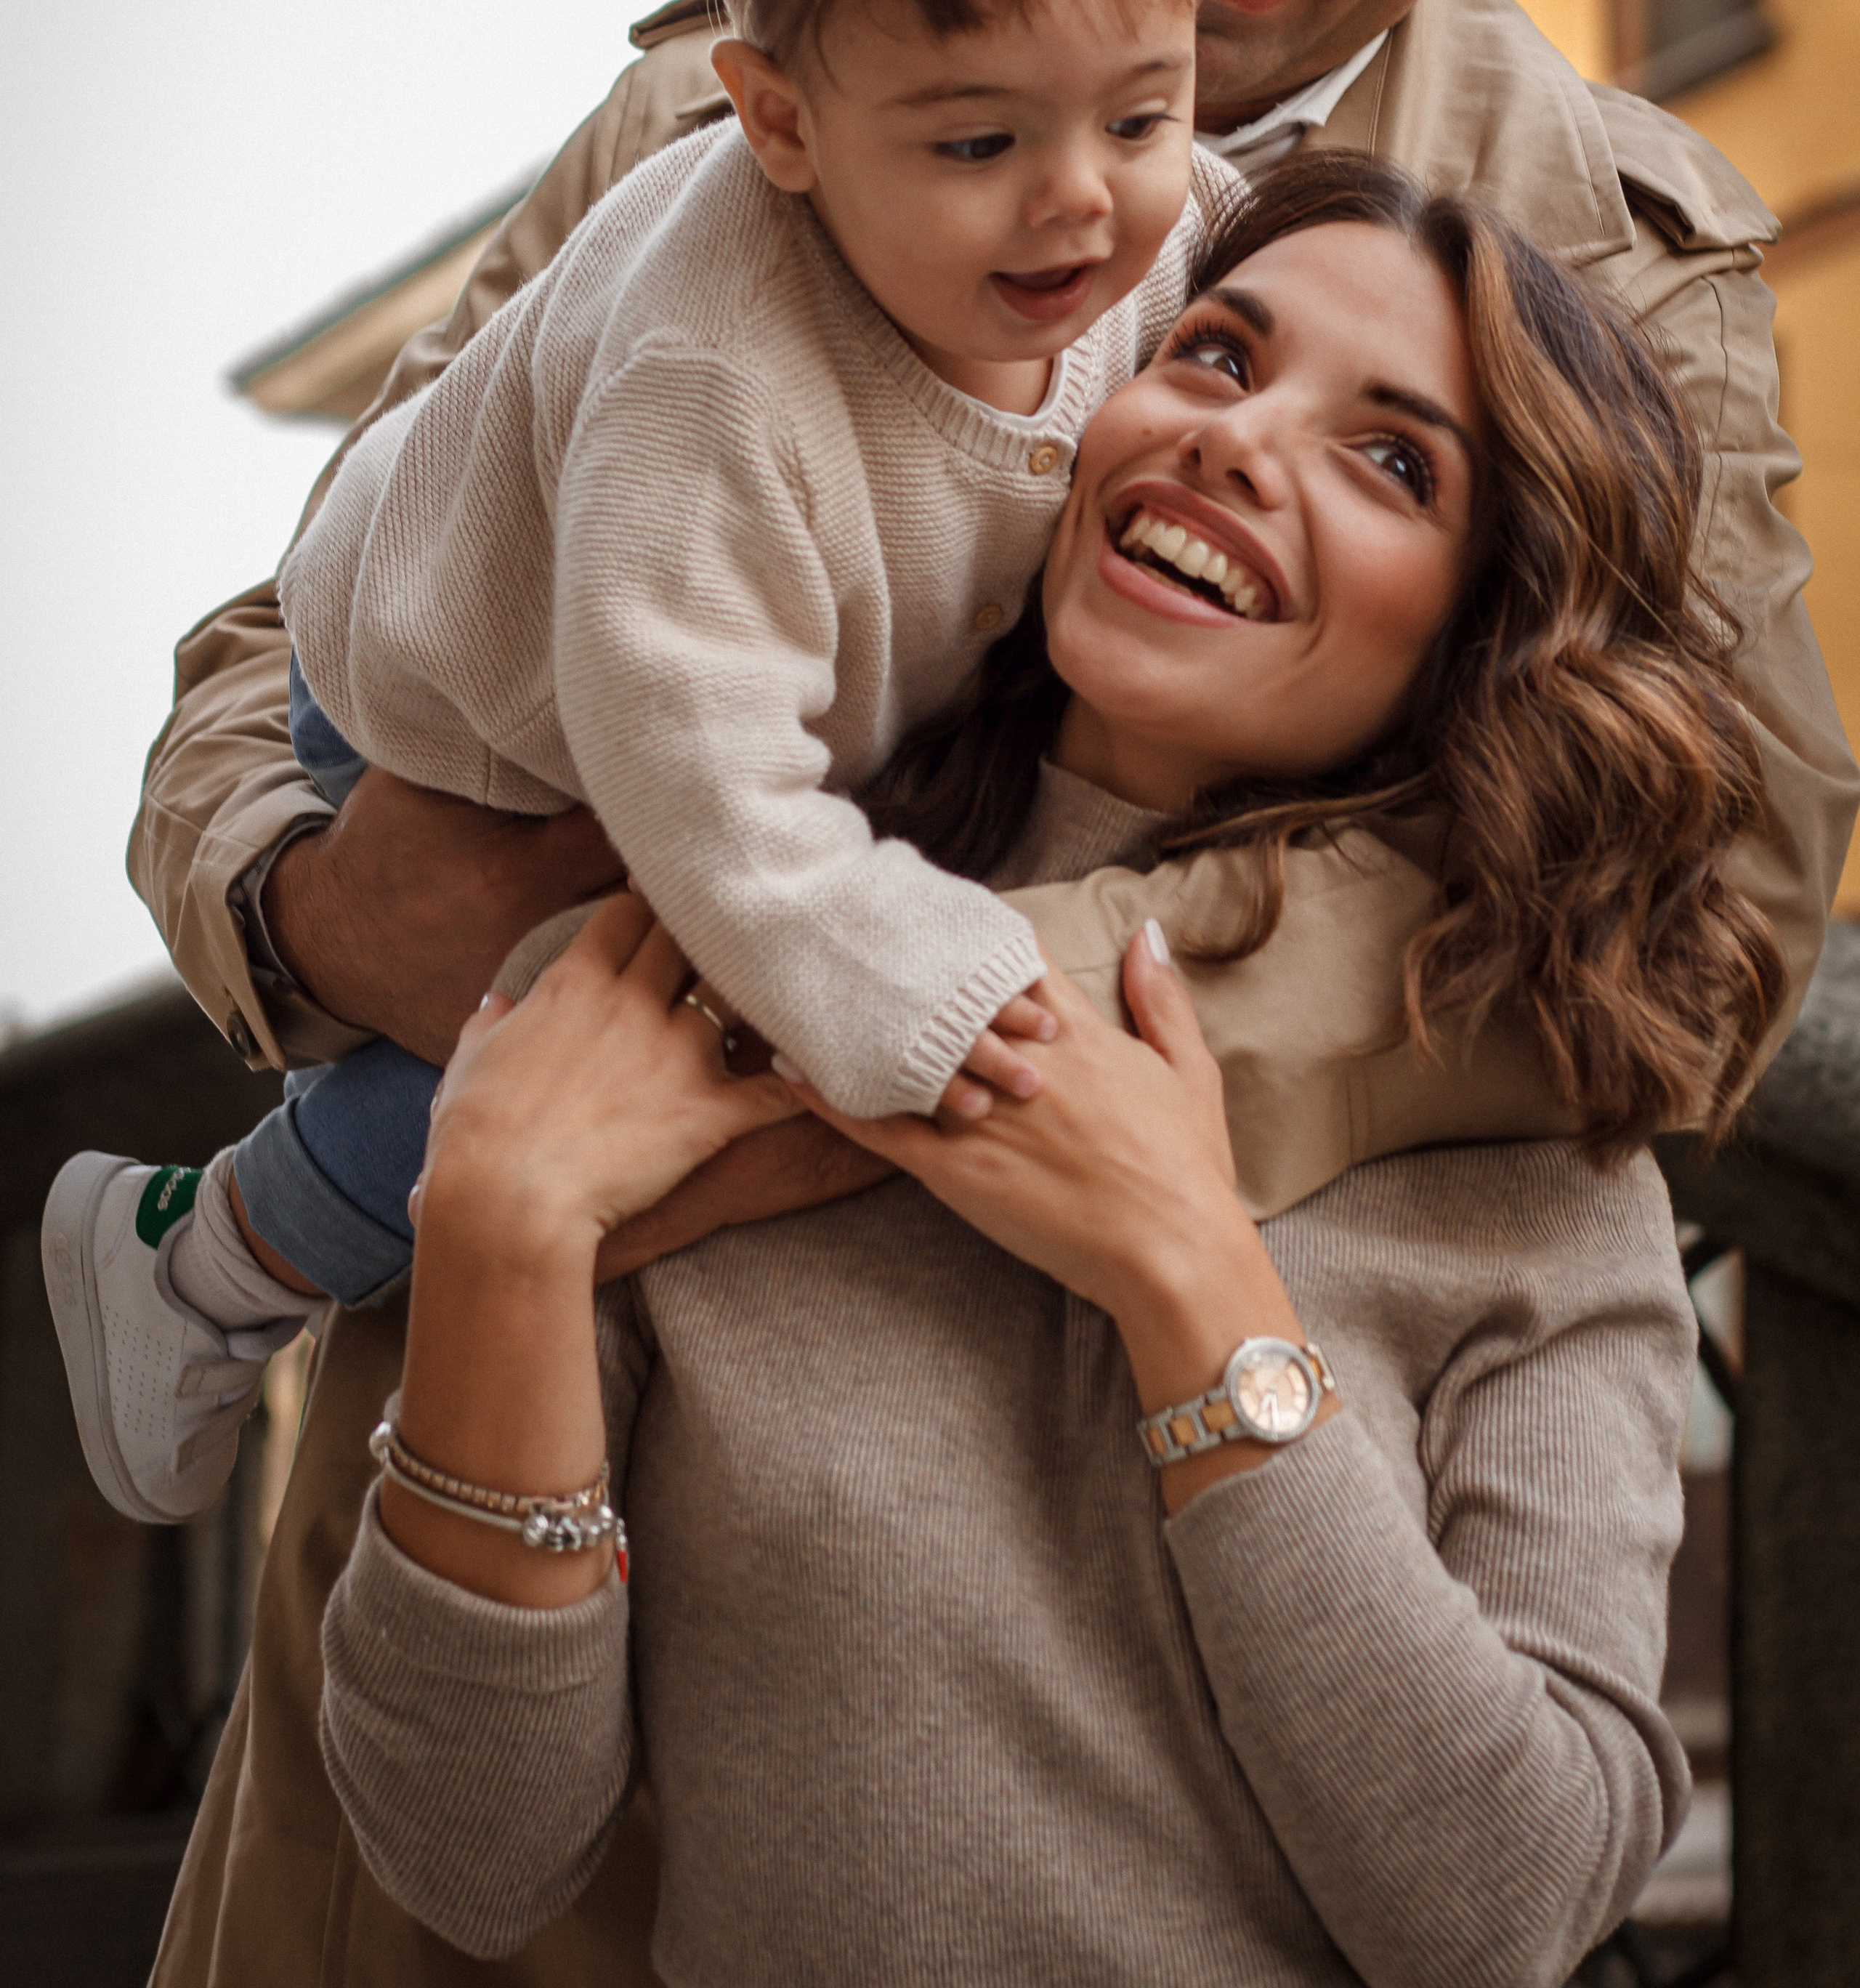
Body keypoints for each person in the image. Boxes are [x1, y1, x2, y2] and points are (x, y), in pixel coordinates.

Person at [139, 0, 1856, 1987]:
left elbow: (1717, 913)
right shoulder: (741, 88)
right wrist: (312, 908)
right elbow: (309, 626)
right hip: (507, 1539)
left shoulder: (1624, 270)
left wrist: (859, 1006)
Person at [317, 158, 1779, 1986]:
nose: (1236, 439)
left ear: (1485, 628)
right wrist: (498, 1235)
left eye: (1392, 461)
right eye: (1217, 355)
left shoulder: (1527, 1165)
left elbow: (1508, 1909)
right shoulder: (684, 1002)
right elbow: (467, 1852)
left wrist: (1189, 1280)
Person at [46, 0, 1232, 1523]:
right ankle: (200, 1265)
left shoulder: (1148, 229)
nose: (1081, 204)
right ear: (777, 121)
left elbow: (1221, 235)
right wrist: (912, 980)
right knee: (587, 1008)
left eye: (1140, 116)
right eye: (977, 145)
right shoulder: (715, 379)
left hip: (686, 665)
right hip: (464, 684)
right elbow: (701, 794)